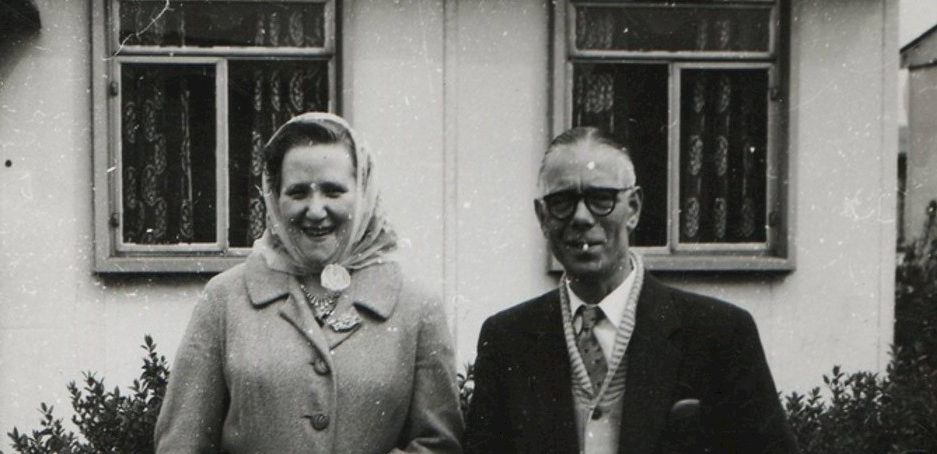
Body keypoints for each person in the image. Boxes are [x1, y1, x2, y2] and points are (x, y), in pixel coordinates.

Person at [463, 127, 798, 454]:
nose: (581, 217)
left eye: (601, 198)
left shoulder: (720, 335)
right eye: (562, 201)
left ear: (633, 208)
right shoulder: (508, 340)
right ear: (542, 216)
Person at [155, 112, 463, 453]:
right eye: (298, 193)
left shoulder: (416, 306)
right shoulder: (225, 298)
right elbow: (181, 443)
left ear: (363, 193)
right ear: (274, 198)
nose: (315, 210)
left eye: (333, 191)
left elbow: (440, 445)